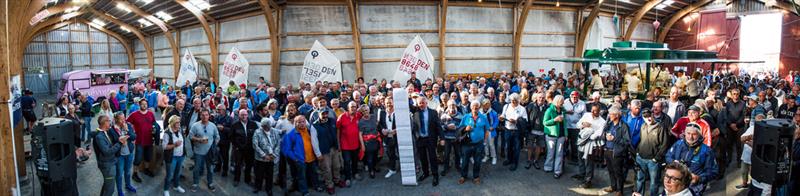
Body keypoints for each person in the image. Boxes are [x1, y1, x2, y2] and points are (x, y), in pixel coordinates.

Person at [665, 123, 718, 195]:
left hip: (695, 188)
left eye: (694, 134)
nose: (690, 137)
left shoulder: (706, 151)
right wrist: (673, 162)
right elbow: (668, 156)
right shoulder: (678, 144)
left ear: (699, 135)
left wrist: (699, 178)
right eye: (688, 133)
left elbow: (713, 172)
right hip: (676, 184)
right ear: (684, 133)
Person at [281, 115, 322, 196]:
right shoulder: (291, 134)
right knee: (301, 177)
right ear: (295, 123)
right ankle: (305, 191)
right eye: (299, 122)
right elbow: (286, 150)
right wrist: (295, 158)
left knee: (314, 173)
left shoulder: (309, 130)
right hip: (300, 160)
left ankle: (316, 186)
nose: (302, 123)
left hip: (311, 158)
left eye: (303, 121)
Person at [634, 108, 671, 196]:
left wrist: (656, 158)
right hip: (641, 159)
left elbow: (665, 145)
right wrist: (638, 153)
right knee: (640, 180)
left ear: (652, 115)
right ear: (643, 118)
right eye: (645, 117)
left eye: (649, 116)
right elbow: (641, 140)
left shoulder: (660, 127)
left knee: (654, 182)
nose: (648, 118)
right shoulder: (643, 126)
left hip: (653, 161)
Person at [411, 96, 442, 186]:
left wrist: (442, 138)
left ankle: (435, 175)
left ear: (426, 103)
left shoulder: (433, 112)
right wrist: (409, 96)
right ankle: (426, 173)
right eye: (419, 103)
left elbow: (438, 126)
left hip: (430, 139)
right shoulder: (415, 112)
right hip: (420, 139)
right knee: (423, 158)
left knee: (432, 158)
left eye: (422, 103)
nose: (421, 105)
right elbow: (408, 105)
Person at [458, 101, 490, 185]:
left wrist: (484, 141)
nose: (475, 108)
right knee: (465, 161)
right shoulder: (466, 116)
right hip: (467, 144)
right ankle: (463, 176)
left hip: (479, 143)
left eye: (477, 107)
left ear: (479, 108)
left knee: (477, 161)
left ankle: (476, 176)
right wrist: (465, 129)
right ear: (471, 107)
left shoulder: (483, 117)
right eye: (473, 107)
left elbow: (487, 130)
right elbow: (459, 128)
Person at [573, 104, 605, 188]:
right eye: (592, 110)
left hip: (591, 143)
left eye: (595, 111)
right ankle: (581, 174)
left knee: (589, 162)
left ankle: (588, 180)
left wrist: (590, 130)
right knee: (580, 158)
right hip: (582, 140)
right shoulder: (586, 115)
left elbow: (599, 133)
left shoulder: (602, 121)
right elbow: (577, 124)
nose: (592, 112)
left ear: (599, 112)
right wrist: (583, 124)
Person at [188, 109, 220, 193]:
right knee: (197, 168)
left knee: (210, 169)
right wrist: (199, 140)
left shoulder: (213, 125)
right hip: (198, 151)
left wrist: (213, 145)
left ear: (209, 116)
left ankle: (210, 183)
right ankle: (195, 183)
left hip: (210, 151)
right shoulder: (195, 125)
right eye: (203, 115)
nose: (205, 116)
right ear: (200, 116)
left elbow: (217, 136)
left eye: (206, 115)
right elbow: (190, 136)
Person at [603, 106, 632, 196]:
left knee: (618, 172)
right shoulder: (609, 124)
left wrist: (614, 139)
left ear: (617, 115)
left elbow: (627, 141)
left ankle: (620, 190)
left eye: (611, 114)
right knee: (610, 170)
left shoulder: (624, 126)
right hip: (607, 150)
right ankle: (613, 186)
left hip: (617, 152)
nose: (609, 116)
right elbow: (603, 133)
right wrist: (605, 136)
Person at [94, 115, 126, 196]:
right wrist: (120, 143)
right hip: (107, 165)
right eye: (108, 121)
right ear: (104, 123)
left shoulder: (105, 132)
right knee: (110, 189)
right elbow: (107, 152)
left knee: (107, 185)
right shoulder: (99, 137)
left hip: (110, 163)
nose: (110, 122)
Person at [126, 99, 156, 182]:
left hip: (149, 139)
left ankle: (146, 169)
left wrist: (154, 130)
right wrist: (131, 133)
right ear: (139, 105)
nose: (144, 106)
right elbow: (126, 123)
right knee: (138, 158)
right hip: (139, 140)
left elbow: (154, 123)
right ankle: (134, 173)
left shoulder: (150, 114)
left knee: (148, 157)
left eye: (145, 104)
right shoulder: (134, 114)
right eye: (142, 104)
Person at [313, 109, 342, 194]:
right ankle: (329, 185)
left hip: (334, 148)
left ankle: (337, 180)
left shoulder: (332, 121)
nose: (325, 115)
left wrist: (338, 145)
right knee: (327, 169)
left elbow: (337, 133)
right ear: (318, 115)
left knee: (337, 166)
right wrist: (318, 154)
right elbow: (314, 141)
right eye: (323, 114)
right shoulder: (315, 125)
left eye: (326, 113)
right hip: (324, 151)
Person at [110, 112, 137, 196]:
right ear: (116, 120)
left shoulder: (128, 125)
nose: (123, 120)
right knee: (119, 174)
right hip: (120, 155)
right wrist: (120, 141)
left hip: (129, 153)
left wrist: (127, 130)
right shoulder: (112, 129)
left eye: (124, 118)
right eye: (121, 119)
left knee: (128, 171)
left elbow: (134, 137)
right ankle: (120, 191)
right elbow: (112, 142)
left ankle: (128, 185)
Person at [336, 102, 362, 186]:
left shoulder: (358, 115)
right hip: (345, 144)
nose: (353, 108)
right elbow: (338, 130)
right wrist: (338, 143)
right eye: (352, 107)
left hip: (356, 144)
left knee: (355, 160)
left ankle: (355, 173)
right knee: (347, 162)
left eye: (355, 106)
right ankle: (347, 177)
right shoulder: (342, 117)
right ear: (348, 108)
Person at [253, 118, 281, 195]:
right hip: (260, 159)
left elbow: (278, 144)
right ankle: (257, 187)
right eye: (263, 126)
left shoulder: (275, 132)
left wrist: (274, 155)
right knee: (259, 174)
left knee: (270, 175)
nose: (265, 128)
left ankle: (269, 189)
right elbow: (255, 145)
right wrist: (264, 155)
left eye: (267, 126)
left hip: (271, 158)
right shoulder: (257, 132)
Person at [500, 93, 528, 171]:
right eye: (512, 101)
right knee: (508, 146)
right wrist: (502, 117)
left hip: (517, 131)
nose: (513, 102)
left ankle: (514, 163)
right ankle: (509, 159)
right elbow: (503, 115)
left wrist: (516, 121)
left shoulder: (522, 109)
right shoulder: (506, 106)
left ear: (518, 100)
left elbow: (525, 120)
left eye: (515, 101)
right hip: (507, 129)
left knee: (516, 148)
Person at [231, 109, 258, 187]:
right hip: (239, 149)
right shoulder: (235, 125)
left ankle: (247, 179)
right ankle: (236, 179)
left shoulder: (253, 124)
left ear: (247, 115)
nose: (244, 116)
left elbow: (256, 136)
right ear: (239, 115)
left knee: (249, 165)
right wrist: (236, 146)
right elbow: (231, 137)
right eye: (242, 115)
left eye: (245, 114)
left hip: (250, 149)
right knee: (238, 165)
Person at [543, 95, 567, 178]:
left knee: (559, 153)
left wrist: (566, 134)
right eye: (561, 102)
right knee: (551, 152)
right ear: (557, 101)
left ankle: (557, 171)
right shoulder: (549, 110)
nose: (562, 103)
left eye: (563, 102)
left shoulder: (563, 111)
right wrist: (555, 120)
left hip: (561, 135)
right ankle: (548, 167)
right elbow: (545, 122)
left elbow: (565, 123)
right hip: (551, 135)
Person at [162, 116, 186, 196]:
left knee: (178, 173)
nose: (179, 124)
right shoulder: (167, 133)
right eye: (177, 122)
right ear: (172, 123)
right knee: (169, 175)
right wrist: (174, 145)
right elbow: (164, 147)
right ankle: (166, 190)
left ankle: (176, 186)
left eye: (179, 122)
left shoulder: (180, 130)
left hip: (180, 156)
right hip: (172, 157)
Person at [358, 106, 381, 179]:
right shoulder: (361, 122)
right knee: (369, 158)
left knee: (375, 155)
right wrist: (362, 145)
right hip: (367, 142)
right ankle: (371, 171)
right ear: (362, 112)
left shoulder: (373, 117)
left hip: (375, 140)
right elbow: (360, 134)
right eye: (364, 111)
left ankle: (375, 167)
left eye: (366, 110)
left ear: (369, 110)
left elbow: (377, 124)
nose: (365, 112)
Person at [563, 91, 586, 162]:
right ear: (570, 97)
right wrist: (567, 112)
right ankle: (564, 155)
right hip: (566, 125)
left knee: (574, 143)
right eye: (573, 97)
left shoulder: (582, 103)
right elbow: (561, 111)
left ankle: (574, 157)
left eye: (576, 97)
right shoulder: (565, 102)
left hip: (576, 126)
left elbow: (584, 115)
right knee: (565, 142)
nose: (575, 98)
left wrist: (582, 124)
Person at [381, 97, 400, 179]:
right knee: (390, 154)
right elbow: (379, 124)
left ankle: (404, 169)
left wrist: (397, 130)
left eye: (390, 102)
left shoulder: (398, 112)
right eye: (387, 103)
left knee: (400, 153)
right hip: (387, 137)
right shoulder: (381, 113)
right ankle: (392, 169)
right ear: (384, 104)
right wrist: (382, 130)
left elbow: (404, 123)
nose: (389, 104)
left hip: (398, 136)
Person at [440, 106, 462, 176]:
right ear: (448, 107)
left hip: (456, 138)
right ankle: (446, 168)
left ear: (456, 106)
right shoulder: (443, 116)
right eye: (450, 106)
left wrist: (456, 127)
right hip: (447, 138)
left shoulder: (460, 116)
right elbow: (440, 127)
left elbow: (463, 127)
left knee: (458, 153)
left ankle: (458, 166)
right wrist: (447, 127)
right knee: (446, 154)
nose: (452, 108)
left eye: (454, 106)